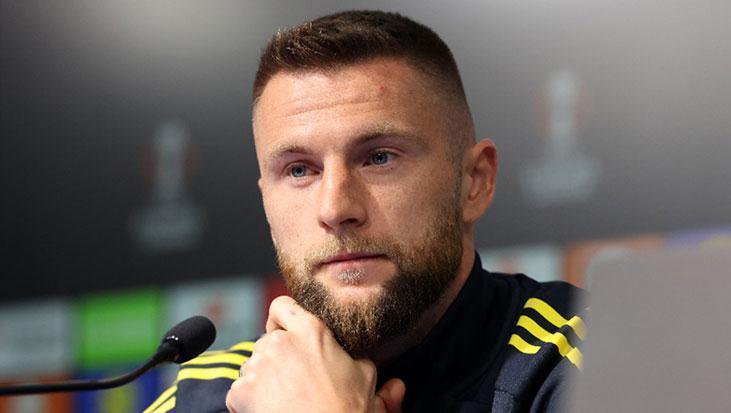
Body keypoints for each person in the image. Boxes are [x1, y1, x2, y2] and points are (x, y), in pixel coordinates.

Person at [145, 10, 585, 413]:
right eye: (299, 170)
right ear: (266, 201)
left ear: (474, 181)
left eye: (379, 158)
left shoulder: (582, 365)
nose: (335, 208)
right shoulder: (199, 397)